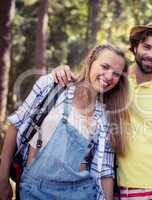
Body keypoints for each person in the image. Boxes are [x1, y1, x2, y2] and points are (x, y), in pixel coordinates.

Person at [51, 17, 152, 200]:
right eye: (147, 47)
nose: (151, 54)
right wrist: (61, 70)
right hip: (106, 185)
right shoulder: (111, 81)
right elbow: (83, 86)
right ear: (135, 47)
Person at [0, 44, 130, 200]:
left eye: (116, 74)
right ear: (90, 61)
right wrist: (2, 180)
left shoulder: (105, 117)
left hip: (80, 194)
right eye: (105, 66)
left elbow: (105, 171)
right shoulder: (52, 86)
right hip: (33, 189)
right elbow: (15, 125)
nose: (109, 77)